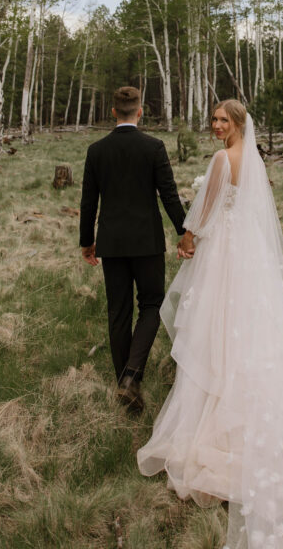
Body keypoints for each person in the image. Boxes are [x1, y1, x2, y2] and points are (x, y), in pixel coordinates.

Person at [137, 100, 283, 549]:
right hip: (250, 253)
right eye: (213, 120)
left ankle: (220, 398)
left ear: (238, 125)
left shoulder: (219, 159)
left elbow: (205, 208)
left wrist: (188, 240)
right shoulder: (252, 159)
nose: (215, 127)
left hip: (225, 254)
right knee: (249, 323)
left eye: (222, 121)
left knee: (217, 323)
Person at [80, 86, 194, 413]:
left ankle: (126, 388)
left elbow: (88, 203)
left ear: (114, 112)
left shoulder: (96, 150)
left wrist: (87, 241)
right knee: (151, 303)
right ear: (140, 112)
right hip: (147, 242)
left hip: (112, 243)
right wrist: (185, 233)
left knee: (118, 311)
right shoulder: (153, 147)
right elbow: (170, 196)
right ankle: (132, 376)